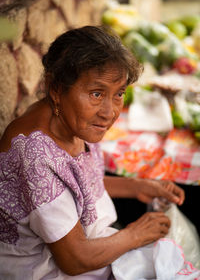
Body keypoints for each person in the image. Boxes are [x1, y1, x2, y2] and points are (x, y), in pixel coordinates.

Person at [0, 25, 185, 280]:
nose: (109, 112)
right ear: (56, 89)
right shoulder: (36, 155)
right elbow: (75, 259)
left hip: (95, 248)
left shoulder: (72, 120)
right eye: (96, 94)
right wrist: (135, 234)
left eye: (118, 94)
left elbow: (77, 185)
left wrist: (139, 187)